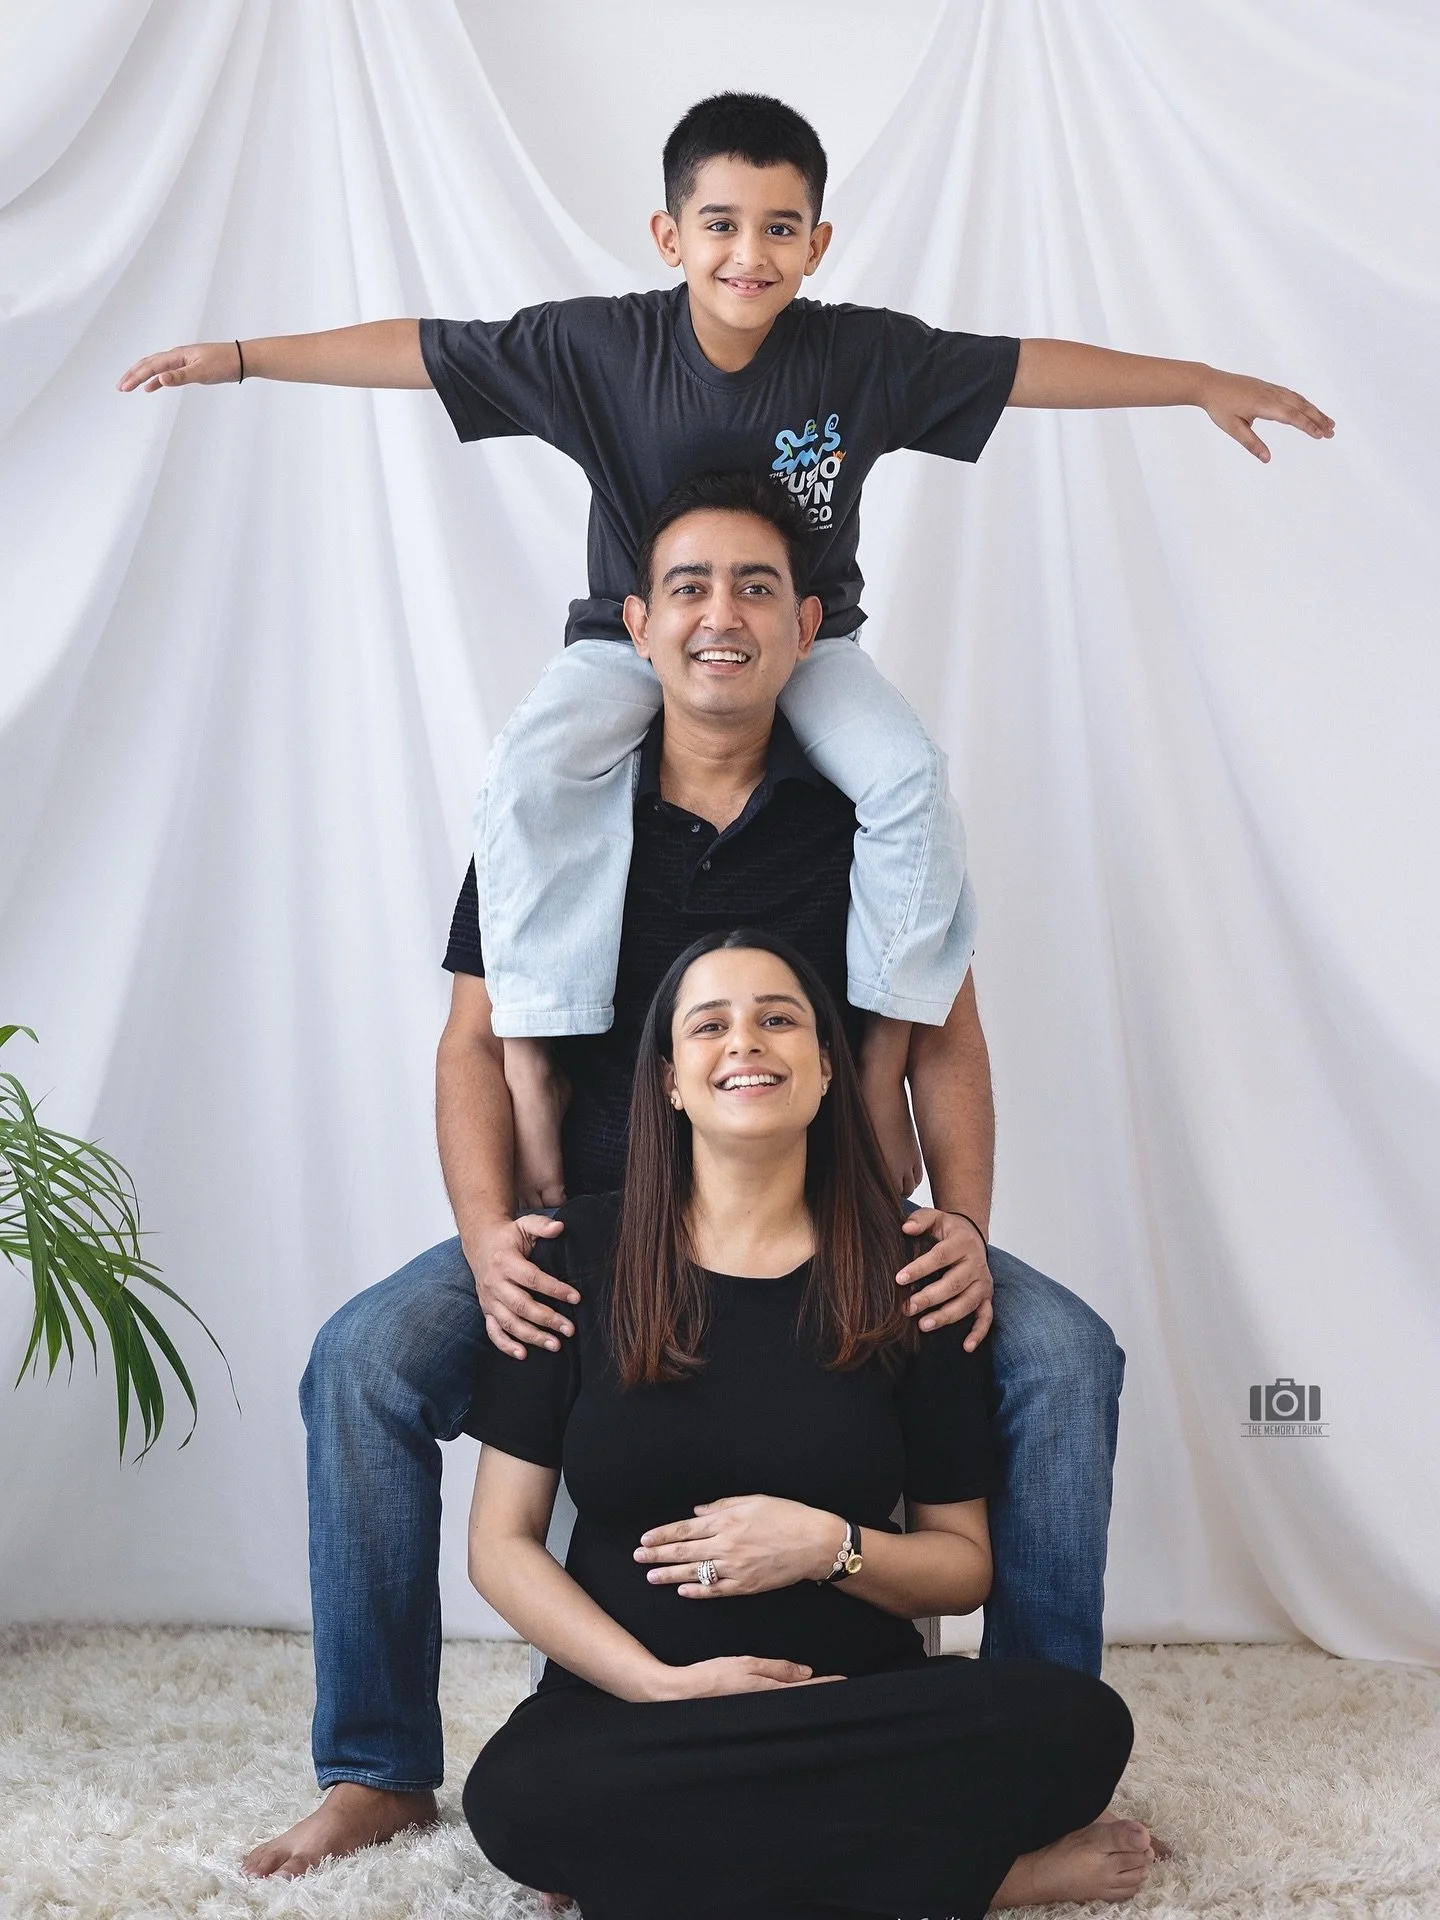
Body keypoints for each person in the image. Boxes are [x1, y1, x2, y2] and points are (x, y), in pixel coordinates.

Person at [116, 92, 1334, 1204]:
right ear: (668, 235)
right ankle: (536, 1056)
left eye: (780, 229)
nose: (749, 256)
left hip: (804, 650)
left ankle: (878, 1062)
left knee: (908, 780)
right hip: (626, 643)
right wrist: (239, 356)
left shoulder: (859, 356)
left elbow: (1022, 370)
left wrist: (1197, 381)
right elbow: (426, 347)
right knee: (527, 774)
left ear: (819, 242)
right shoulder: (601, 349)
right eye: (721, 225)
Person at [238, 478, 1127, 1879]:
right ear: (639, 629)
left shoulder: (868, 828)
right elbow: (471, 1048)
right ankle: (378, 1767)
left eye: (759, 590)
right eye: (693, 592)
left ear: (807, 628)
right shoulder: (549, 814)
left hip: (824, 1217)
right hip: (586, 1232)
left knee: (1066, 1356)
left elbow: (950, 1035)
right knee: (362, 1362)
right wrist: (487, 1239)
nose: (725, 618)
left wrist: (959, 1224)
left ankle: (1021, 1766)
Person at [464, 927, 1153, 1918]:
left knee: (1079, 1723)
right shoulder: (570, 1258)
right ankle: (981, 1881)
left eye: (778, 1018)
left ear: (828, 1069)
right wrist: (661, 1686)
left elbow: (963, 1564)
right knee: (517, 1796)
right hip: (633, 1713)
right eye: (711, 1024)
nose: (745, 1040)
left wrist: (826, 1546)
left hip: (857, 1705)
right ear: (668, 1080)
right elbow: (501, 1543)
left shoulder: (917, 1273)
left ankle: (668, 1873)